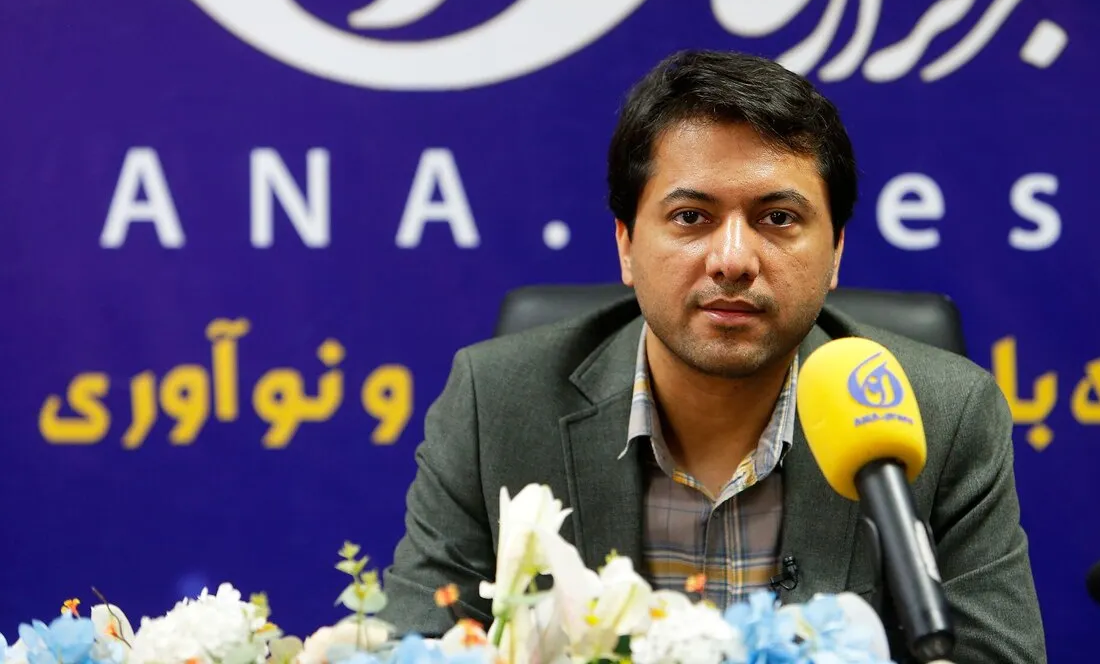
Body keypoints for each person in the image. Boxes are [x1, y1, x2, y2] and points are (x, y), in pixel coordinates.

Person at [380, 50, 1047, 663]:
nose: (732, 260)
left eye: (777, 218)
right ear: (626, 245)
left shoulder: (944, 413)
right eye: (691, 217)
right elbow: (417, 644)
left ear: (836, 252)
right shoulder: (495, 404)